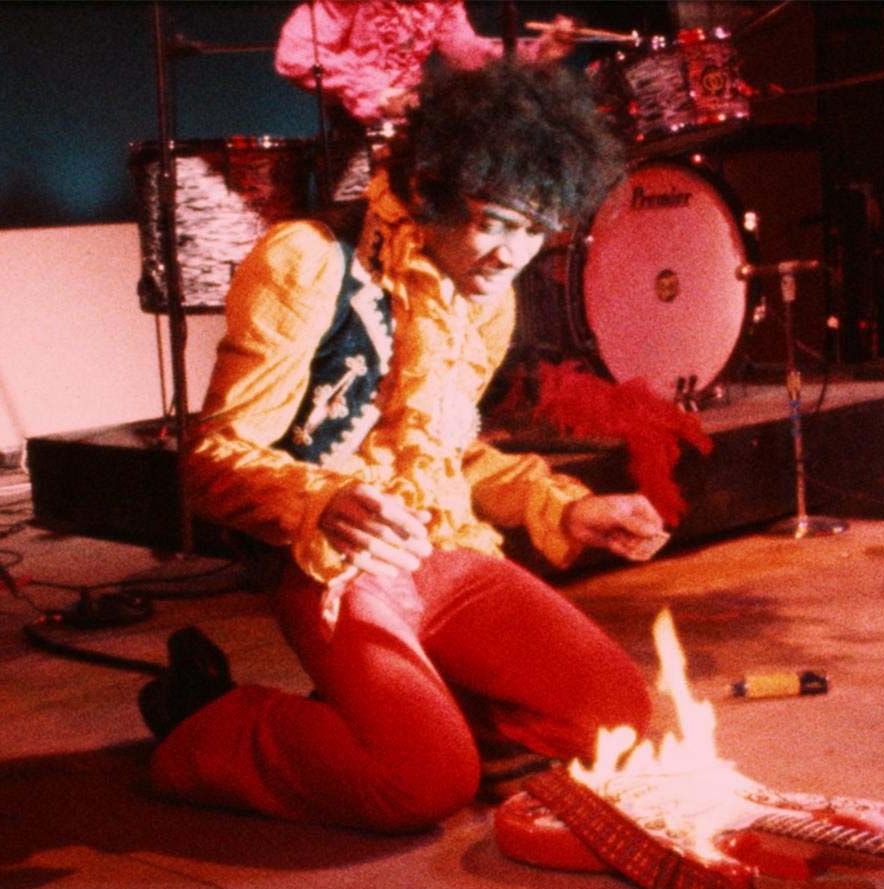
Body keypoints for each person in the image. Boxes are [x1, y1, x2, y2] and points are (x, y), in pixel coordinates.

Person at [138, 60, 665, 834]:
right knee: (420, 785)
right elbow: (211, 460)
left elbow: (448, 453)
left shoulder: (485, 298)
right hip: (334, 566)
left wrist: (566, 505)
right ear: (430, 191)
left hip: (446, 558)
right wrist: (322, 499)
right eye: (492, 222)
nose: (509, 255)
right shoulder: (307, 263)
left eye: (535, 228)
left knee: (617, 718)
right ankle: (210, 723)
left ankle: (410, 714)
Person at [275, 0, 576, 127]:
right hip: (352, 134)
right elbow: (296, 54)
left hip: (412, 130)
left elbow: (465, 53)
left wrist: (537, 54)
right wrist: (380, 95)